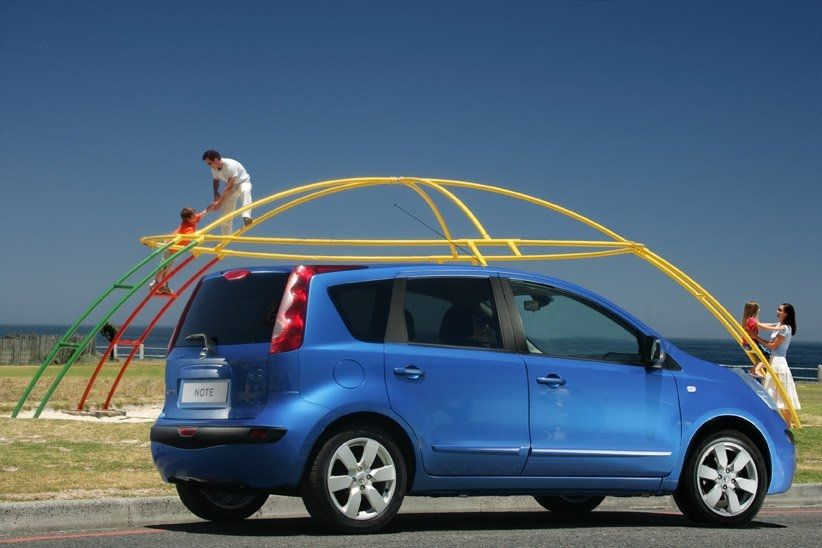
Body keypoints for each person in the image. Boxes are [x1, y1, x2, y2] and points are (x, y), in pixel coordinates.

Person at [151, 206, 213, 294]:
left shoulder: (194, 219)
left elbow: (204, 212)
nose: (195, 216)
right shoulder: (187, 227)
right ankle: (155, 282)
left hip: (175, 249)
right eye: (193, 216)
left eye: (195, 214)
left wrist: (213, 205)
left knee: (168, 268)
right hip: (170, 245)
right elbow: (192, 237)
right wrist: (203, 237)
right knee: (165, 265)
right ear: (188, 219)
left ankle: (163, 285)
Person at [758, 303, 800, 423]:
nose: (777, 311)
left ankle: (787, 424)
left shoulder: (785, 328)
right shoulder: (779, 325)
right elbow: (763, 326)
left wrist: (757, 338)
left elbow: (772, 346)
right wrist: (755, 318)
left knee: (783, 394)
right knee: (776, 393)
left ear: (786, 314)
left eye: (780, 310)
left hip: (778, 362)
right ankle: (783, 423)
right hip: (774, 360)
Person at [202, 150, 253, 235]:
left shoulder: (230, 165)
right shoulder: (214, 168)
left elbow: (229, 188)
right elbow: (216, 180)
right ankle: (226, 236)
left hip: (242, 182)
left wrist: (219, 202)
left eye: (209, 163)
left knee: (245, 191)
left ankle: (246, 216)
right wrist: (216, 193)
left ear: (216, 160)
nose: (209, 166)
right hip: (231, 187)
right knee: (225, 213)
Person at [741, 301, 769, 378]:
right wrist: (776, 327)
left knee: (759, 359)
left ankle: (752, 370)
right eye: (758, 308)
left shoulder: (747, 320)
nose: (759, 310)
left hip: (746, 344)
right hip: (752, 344)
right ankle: (756, 370)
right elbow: (761, 326)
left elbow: (761, 325)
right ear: (754, 310)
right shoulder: (752, 320)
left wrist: (774, 325)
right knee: (767, 355)